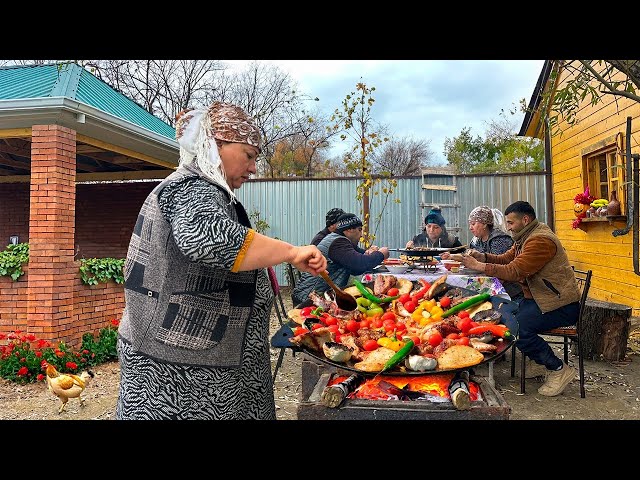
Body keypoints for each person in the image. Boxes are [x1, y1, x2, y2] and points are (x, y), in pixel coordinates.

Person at [115, 101, 327, 420]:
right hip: (182, 373)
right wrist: (291, 252)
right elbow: (207, 238)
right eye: (249, 155)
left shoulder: (194, 187)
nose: (254, 167)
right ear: (216, 145)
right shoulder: (193, 186)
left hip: (189, 356)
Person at [459, 200, 581, 397]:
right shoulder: (526, 236)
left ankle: (558, 369)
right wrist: (484, 258)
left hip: (559, 305)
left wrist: (480, 266)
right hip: (540, 299)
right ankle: (538, 359)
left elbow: (515, 271)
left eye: (511, 223)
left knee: (516, 328)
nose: (507, 227)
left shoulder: (540, 240)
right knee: (502, 315)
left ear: (525, 219)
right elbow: (507, 259)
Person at [292, 213, 389, 307]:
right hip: (309, 298)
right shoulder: (338, 243)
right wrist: (381, 254)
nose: (361, 235)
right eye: (359, 230)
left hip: (315, 294)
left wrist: (369, 253)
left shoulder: (338, 239)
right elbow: (359, 264)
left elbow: (360, 256)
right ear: (349, 229)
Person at [441, 205, 521, 299]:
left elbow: (502, 269)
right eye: (470, 224)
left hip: (507, 290)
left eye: (473, 224)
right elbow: (469, 256)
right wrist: (452, 257)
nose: (470, 228)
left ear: (484, 224)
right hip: (485, 284)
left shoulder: (499, 240)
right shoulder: (476, 240)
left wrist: (476, 264)